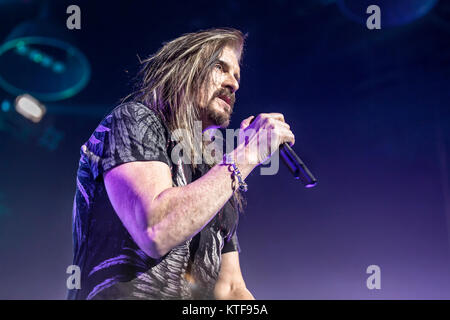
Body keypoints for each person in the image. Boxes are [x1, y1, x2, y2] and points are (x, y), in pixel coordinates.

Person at [68, 28, 295, 300]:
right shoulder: (135, 120)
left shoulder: (215, 173)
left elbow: (231, 289)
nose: (234, 84)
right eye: (220, 68)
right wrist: (248, 153)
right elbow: (155, 230)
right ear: (186, 70)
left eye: (236, 76)